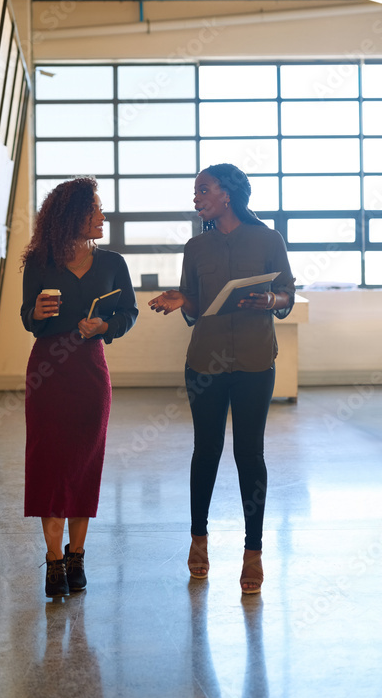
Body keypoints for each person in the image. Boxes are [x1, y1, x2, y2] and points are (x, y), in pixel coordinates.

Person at [149, 163, 295, 594]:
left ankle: (253, 551)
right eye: (196, 192)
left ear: (227, 194)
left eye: (203, 190)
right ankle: (199, 539)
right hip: (205, 363)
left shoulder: (269, 240)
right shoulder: (195, 247)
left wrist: (272, 298)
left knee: (250, 455)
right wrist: (182, 301)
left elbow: (286, 291)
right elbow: (194, 306)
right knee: (206, 450)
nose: (196, 198)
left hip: (254, 362)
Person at [21, 177, 138, 598]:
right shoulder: (39, 262)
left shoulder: (112, 264)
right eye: (96, 211)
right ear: (74, 216)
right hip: (48, 373)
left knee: (85, 463)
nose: (103, 217)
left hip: (91, 371)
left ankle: (77, 556)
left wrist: (105, 325)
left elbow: (129, 313)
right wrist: (35, 310)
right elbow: (27, 318)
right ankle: (53, 561)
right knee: (49, 462)